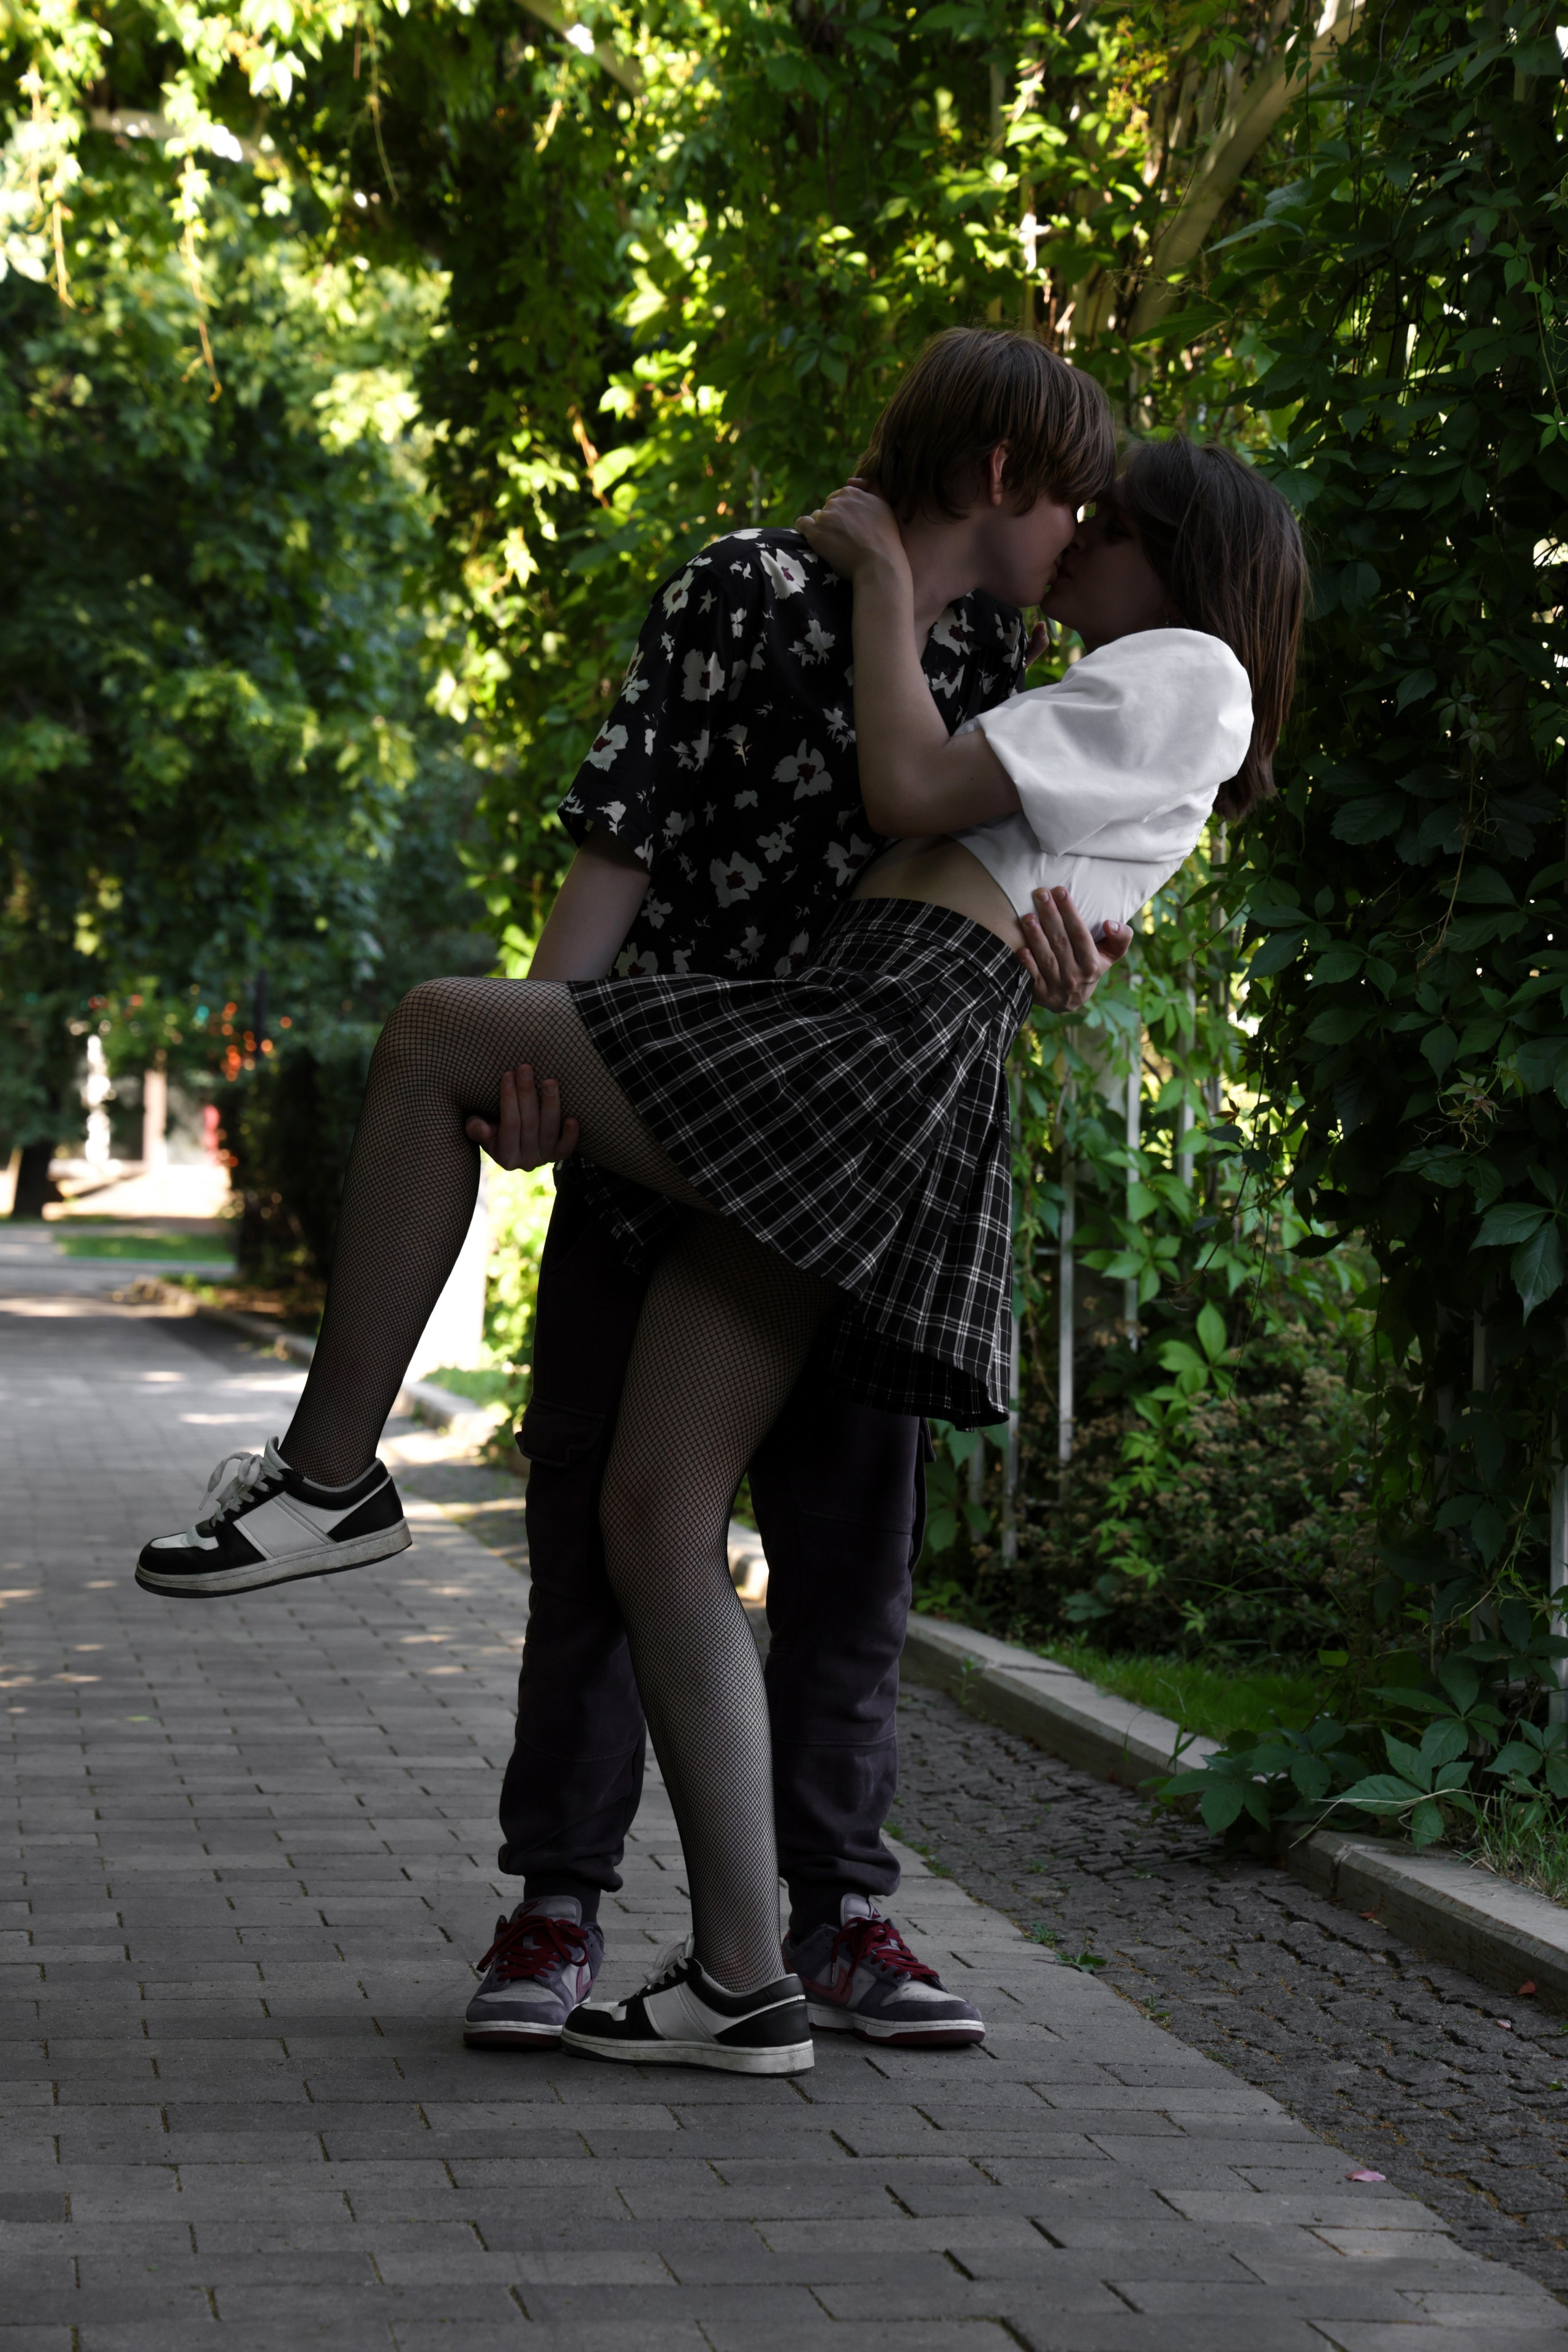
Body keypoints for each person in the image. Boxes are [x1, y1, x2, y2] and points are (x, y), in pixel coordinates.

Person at [135, 415, 1305, 2078]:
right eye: (1074, 512)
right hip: (860, 1033)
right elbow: (1015, 851)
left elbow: (911, 790)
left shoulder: (1186, 666)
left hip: (871, 1038)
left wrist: (888, 585)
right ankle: (745, 1978)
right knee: (649, 1512)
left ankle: (331, 1475)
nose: (1080, 549)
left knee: (431, 1033)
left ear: (1175, 552)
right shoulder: (1039, 657)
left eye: (1107, 526)